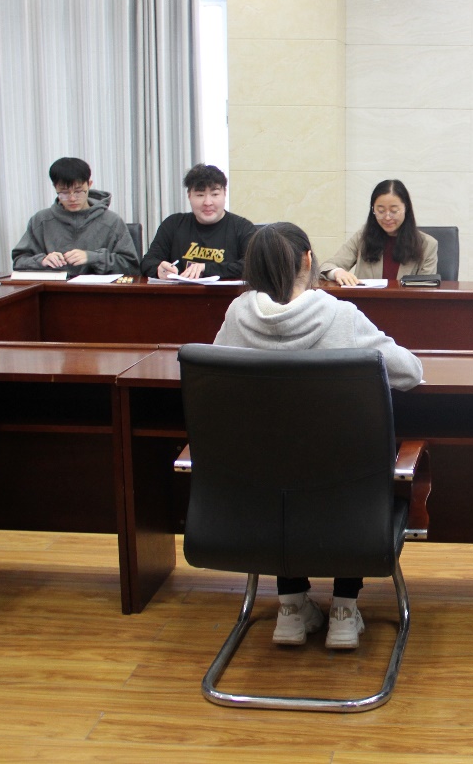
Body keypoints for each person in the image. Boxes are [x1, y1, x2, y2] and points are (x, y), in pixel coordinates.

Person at [214, 222, 423, 649]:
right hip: (344, 492)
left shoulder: (237, 315)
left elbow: (216, 376)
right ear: (308, 260)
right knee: (347, 467)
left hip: (261, 492)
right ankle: (344, 611)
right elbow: (409, 372)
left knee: (279, 465)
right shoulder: (339, 316)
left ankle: (290, 607)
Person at [11, 157, 140, 276]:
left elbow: (131, 267)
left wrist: (93, 258)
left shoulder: (111, 221)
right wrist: (42, 261)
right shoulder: (41, 221)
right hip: (53, 290)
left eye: (78, 191)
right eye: (64, 192)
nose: (72, 198)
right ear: (55, 187)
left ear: (89, 184)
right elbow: (19, 261)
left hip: (98, 291)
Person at [141, 163, 257, 280]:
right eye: (200, 195)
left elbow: (253, 266)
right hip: (180, 291)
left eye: (215, 194)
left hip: (227, 292)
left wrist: (206, 268)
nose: (207, 202)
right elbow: (147, 262)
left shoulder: (243, 228)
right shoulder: (173, 224)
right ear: (189, 196)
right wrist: (158, 269)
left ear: (225, 194)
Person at [319, 180, 437, 285]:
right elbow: (326, 267)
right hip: (365, 302)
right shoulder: (362, 238)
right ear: (373, 210)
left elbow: (427, 289)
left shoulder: (427, 245)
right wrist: (337, 272)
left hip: (407, 303)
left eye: (394, 211)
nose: (387, 217)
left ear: (406, 209)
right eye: (380, 211)